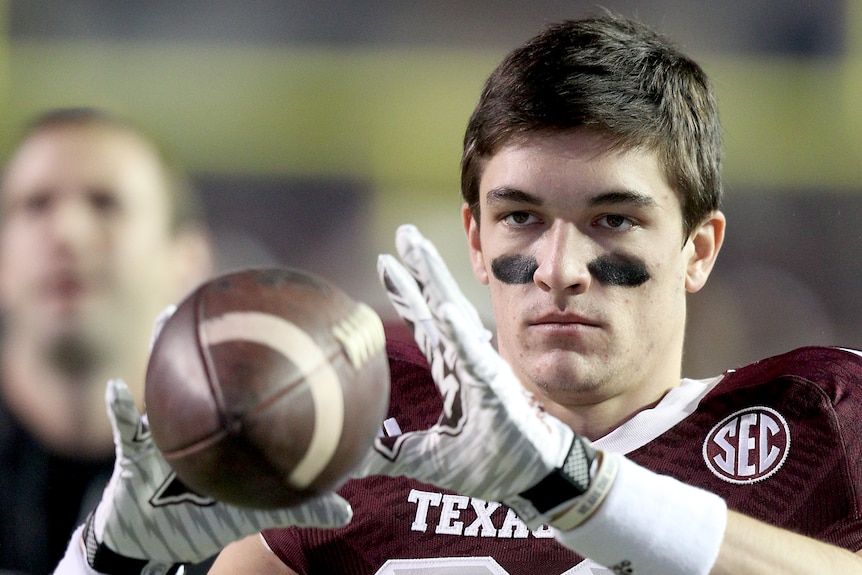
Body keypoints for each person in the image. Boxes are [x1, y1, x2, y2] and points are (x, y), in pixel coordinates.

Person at [52, 12, 862, 575]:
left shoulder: (815, 418)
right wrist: (106, 559)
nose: (559, 267)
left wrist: (577, 486)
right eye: (521, 217)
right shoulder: (369, 427)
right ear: (475, 239)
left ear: (698, 248)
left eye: (613, 219)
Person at [0, 107, 214, 575]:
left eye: (105, 203)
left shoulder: (246, 495)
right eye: (36, 205)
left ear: (187, 260)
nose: (67, 233)